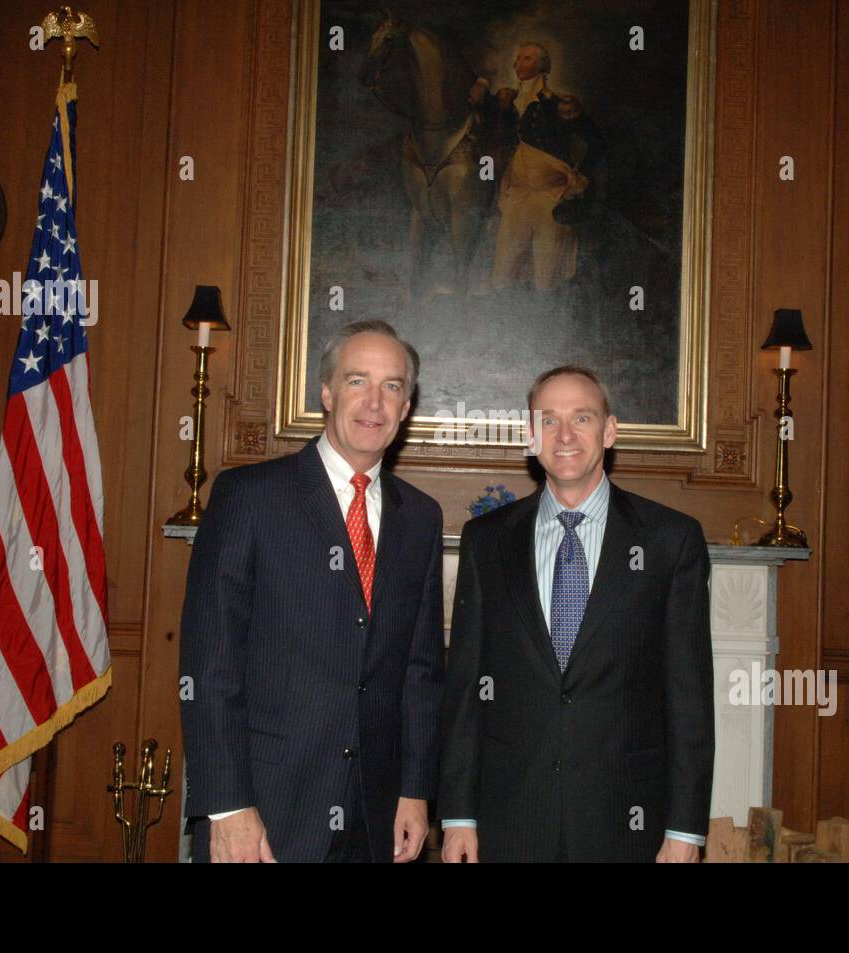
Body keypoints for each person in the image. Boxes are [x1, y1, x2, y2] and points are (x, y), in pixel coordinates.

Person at [180, 320, 444, 862]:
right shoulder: (249, 497)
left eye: (392, 386)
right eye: (356, 381)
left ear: (406, 405)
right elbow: (210, 664)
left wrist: (415, 790)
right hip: (265, 813)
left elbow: (420, 670)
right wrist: (227, 806)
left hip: (375, 819)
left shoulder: (420, 517)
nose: (374, 402)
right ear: (325, 392)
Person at [438, 365, 713, 862]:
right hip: (510, 821)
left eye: (582, 418)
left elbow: (689, 697)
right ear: (530, 435)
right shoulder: (487, 541)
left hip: (630, 823)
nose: (564, 435)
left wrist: (685, 831)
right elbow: (465, 688)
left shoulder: (670, 540)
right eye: (548, 420)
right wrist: (458, 816)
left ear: (609, 431)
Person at [473, 42, 605, 290]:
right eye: (518, 58)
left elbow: (597, 142)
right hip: (515, 200)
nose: (519, 63)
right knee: (502, 279)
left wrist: (581, 179)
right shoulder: (506, 104)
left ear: (542, 65)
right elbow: (484, 130)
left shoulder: (559, 104)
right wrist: (481, 83)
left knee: (547, 281)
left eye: (527, 58)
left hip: (550, 199)